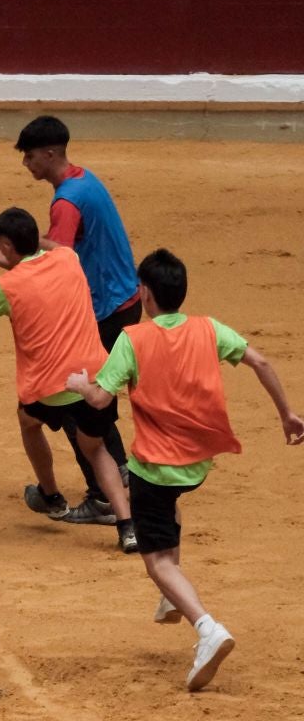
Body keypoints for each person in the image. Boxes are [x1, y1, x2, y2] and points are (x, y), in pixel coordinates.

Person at [68, 246, 304, 691]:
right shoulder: (209, 329)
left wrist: (83, 385)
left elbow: (101, 399)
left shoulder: (133, 339)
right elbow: (261, 361)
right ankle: (171, 598)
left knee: (155, 558)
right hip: (198, 461)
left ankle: (206, 628)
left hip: (156, 465)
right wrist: (288, 415)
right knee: (169, 509)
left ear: (146, 296)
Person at [0, 208, 137, 554]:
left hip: (49, 386)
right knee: (97, 450)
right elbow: (47, 255)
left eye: (0, 247)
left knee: (27, 421)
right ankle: (127, 527)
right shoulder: (67, 259)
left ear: (5, 245)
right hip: (96, 377)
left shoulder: (4, 286)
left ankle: (51, 496)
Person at [0, 114, 138, 524]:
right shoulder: (85, 180)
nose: (26, 163)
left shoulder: (66, 201)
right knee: (94, 400)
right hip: (122, 298)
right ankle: (119, 478)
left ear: (49, 153)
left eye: (29, 156)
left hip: (105, 306)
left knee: (87, 406)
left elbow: (55, 252)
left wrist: (5, 259)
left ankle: (101, 498)